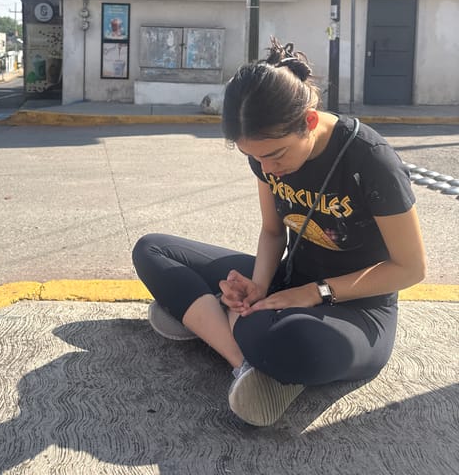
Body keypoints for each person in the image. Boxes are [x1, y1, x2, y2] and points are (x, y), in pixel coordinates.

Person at [132, 37, 426, 427]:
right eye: (253, 158)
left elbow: (411, 268)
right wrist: (257, 285)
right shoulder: (265, 158)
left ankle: (205, 320)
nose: (267, 169)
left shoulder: (370, 161)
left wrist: (314, 293)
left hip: (357, 309)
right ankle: (245, 364)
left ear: (308, 121)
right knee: (152, 250)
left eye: (275, 155)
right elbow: (273, 232)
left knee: (283, 338)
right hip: (286, 284)